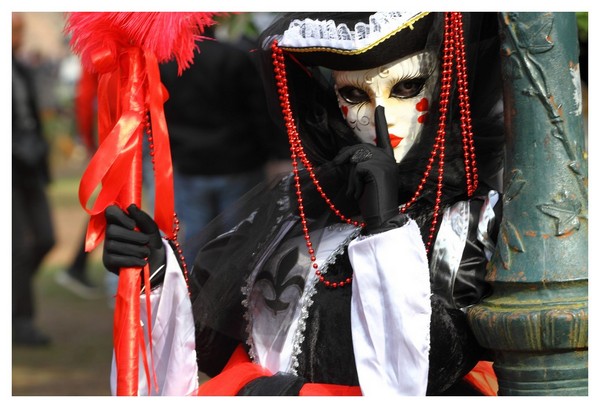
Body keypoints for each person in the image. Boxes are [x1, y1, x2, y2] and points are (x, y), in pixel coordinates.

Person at [102, 12, 505, 395]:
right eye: (354, 94)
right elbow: (211, 345)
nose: (380, 118)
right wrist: (156, 274)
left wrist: (386, 228)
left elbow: (429, 369)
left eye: (405, 87)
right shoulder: (299, 206)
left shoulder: (470, 222)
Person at [159, 24, 290, 263]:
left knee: (197, 239)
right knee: (240, 239)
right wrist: (277, 153)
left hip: (193, 164)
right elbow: (260, 112)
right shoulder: (233, 56)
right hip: (236, 163)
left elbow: (160, 117)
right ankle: (233, 294)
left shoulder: (166, 64)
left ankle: (194, 294)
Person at [12, 12, 56, 346]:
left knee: (46, 238)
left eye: (20, 30)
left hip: (30, 170)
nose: (18, 36)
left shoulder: (22, 69)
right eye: (14, 31)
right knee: (15, 249)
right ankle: (19, 322)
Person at [55, 67, 104, 300]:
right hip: (117, 133)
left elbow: (84, 96)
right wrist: (88, 139)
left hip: (114, 133)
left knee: (111, 203)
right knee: (113, 203)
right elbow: (85, 96)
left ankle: (79, 266)